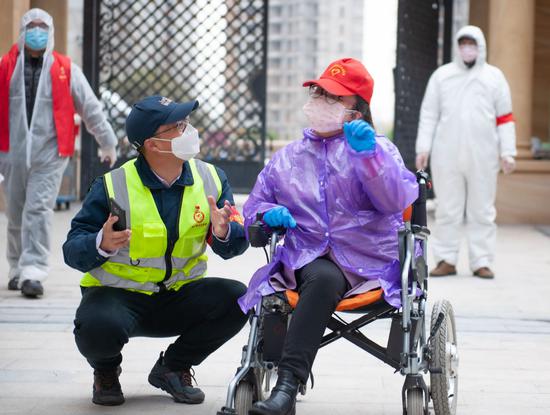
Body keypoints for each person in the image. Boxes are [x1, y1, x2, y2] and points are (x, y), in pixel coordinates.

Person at [238, 58, 419, 415]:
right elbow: (255, 209)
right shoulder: (287, 158)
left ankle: (287, 387)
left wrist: (369, 160)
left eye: (334, 97)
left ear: (357, 110)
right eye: (318, 92)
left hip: (369, 262)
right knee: (321, 277)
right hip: (306, 258)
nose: (321, 100)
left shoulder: (378, 151)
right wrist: (264, 215)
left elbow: (395, 201)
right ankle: (288, 383)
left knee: (324, 279)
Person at [62, 96, 249, 406]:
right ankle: (106, 371)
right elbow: (71, 249)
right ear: (152, 144)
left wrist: (223, 232)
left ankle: (173, 368)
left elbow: (235, 246)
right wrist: (101, 243)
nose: (188, 131)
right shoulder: (112, 186)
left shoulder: (212, 179)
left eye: (186, 123)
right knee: (95, 328)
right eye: (177, 127)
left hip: (180, 295)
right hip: (118, 298)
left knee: (239, 298)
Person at [0, 8, 118, 298]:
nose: (37, 31)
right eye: (32, 26)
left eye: (43, 26)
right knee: (15, 213)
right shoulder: (4, 68)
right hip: (11, 153)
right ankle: (16, 267)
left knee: (38, 210)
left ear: (50, 32)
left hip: (50, 154)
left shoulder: (66, 69)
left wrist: (107, 142)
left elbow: (90, 108)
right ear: (22, 30)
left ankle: (34, 271)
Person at [415, 25, 517, 279]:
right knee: (447, 209)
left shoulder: (494, 77)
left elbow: (505, 117)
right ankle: (446, 259)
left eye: (472, 44)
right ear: (457, 47)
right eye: (463, 44)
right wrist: (423, 148)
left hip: (483, 154)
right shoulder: (442, 76)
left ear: (480, 47)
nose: (467, 49)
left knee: (482, 210)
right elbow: (429, 114)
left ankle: (481, 260)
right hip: (446, 154)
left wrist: (508, 151)